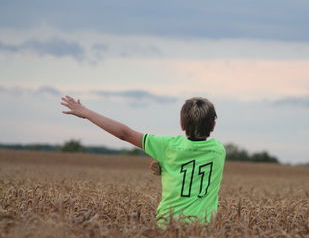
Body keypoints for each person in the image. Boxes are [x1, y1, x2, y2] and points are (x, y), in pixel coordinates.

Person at [60, 95, 226, 225]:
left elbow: (125, 134)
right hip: (204, 228)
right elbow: (194, 166)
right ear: (213, 125)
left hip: (167, 225)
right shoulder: (219, 150)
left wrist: (87, 113)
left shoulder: (167, 146)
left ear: (182, 123)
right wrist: (166, 167)